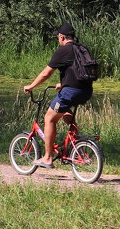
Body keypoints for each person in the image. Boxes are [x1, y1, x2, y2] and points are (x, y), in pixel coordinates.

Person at [22, 22, 93, 168]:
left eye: (58, 37)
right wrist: (64, 82)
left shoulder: (63, 51)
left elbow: (46, 73)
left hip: (70, 92)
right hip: (86, 91)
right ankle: (74, 143)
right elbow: (78, 71)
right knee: (65, 112)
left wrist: (31, 86)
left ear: (62, 37)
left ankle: (47, 158)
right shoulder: (82, 49)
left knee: (49, 118)